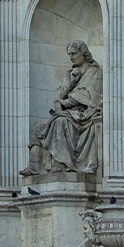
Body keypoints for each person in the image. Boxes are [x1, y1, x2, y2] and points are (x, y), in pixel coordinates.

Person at [21, 40, 103, 176]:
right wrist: (71, 83)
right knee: (39, 128)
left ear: (83, 53)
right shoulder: (71, 73)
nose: (71, 57)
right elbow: (59, 96)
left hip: (84, 114)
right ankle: (34, 167)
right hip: (69, 113)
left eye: (74, 53)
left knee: (60, 121)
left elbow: (89, 97)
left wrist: (64, 104)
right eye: (69, 54)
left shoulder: (94, 71)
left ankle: (62, 164)